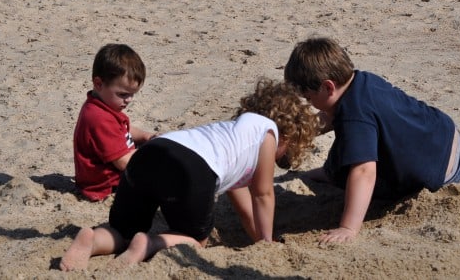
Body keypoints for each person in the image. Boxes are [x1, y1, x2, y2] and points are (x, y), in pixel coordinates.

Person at [60, 78, 321, 271]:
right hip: (191, 167)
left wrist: (259, 239)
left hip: (153, 152)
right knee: (195, 240)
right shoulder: (267, 133)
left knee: (123, 230)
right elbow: (263, 195)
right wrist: (267, 242)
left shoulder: (232, 140)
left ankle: (92, 240)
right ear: (287, 134)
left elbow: (245, 210)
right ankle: (149, 244)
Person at [284, 36, 460, 244]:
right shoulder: (362, 81)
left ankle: (331, 174)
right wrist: (298, 136)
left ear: (328, 87)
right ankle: (329, 172)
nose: (310, 104)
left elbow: (364, 172)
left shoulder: (354, 114)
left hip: (440, 173)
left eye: (308, 98)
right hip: (444, 134)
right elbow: (330, 117)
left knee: (352, 159)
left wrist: (348, 228)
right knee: (352, 140)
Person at [73, 43, 155, 202]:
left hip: (115, 170)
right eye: (123, 94)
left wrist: (146, 136)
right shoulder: (99, 118)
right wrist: (152, 156)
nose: (129, 100)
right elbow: (124, 162)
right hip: (108, 184)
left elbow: (123, 131)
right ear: (98, 84)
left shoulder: (103, 105)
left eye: (132, 94)